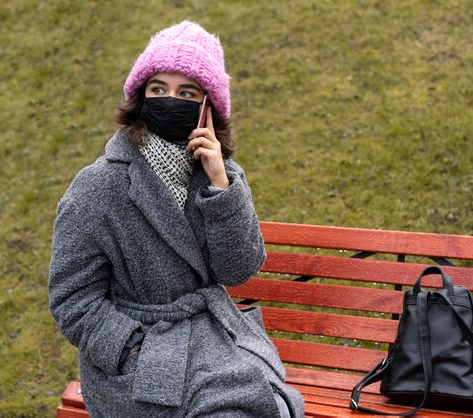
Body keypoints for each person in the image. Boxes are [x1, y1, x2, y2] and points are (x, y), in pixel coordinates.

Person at [48, 21, 304, 417]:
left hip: (214, 341)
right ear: (141, 97)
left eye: (187, 93)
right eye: (159, 89)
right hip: (140, 364)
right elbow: (72, 299)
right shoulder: (98, 186)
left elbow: (237, 271)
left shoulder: (220, 174)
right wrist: (131, 348)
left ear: (207, 108)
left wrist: (221, 187)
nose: (171, 100)